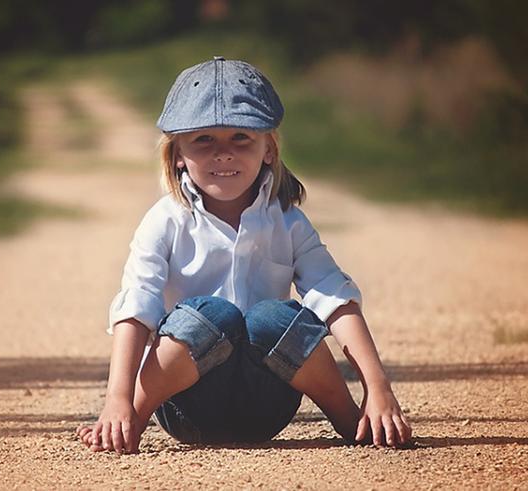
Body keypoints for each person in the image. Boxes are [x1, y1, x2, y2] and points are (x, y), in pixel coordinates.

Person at [76, 57, 411, 454]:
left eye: (241, 138)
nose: (223, 154)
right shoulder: (164, 221)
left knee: (272, 318)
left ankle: (349, 417)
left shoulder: (288, 221)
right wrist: (117, 399)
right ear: (177, 154)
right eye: (204, 140)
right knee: (215, 315)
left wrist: (378, 387)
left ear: (268, 149)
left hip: (266, 405)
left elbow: (334, 298)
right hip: (187, 406)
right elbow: (137, 305)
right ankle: (131, 420)